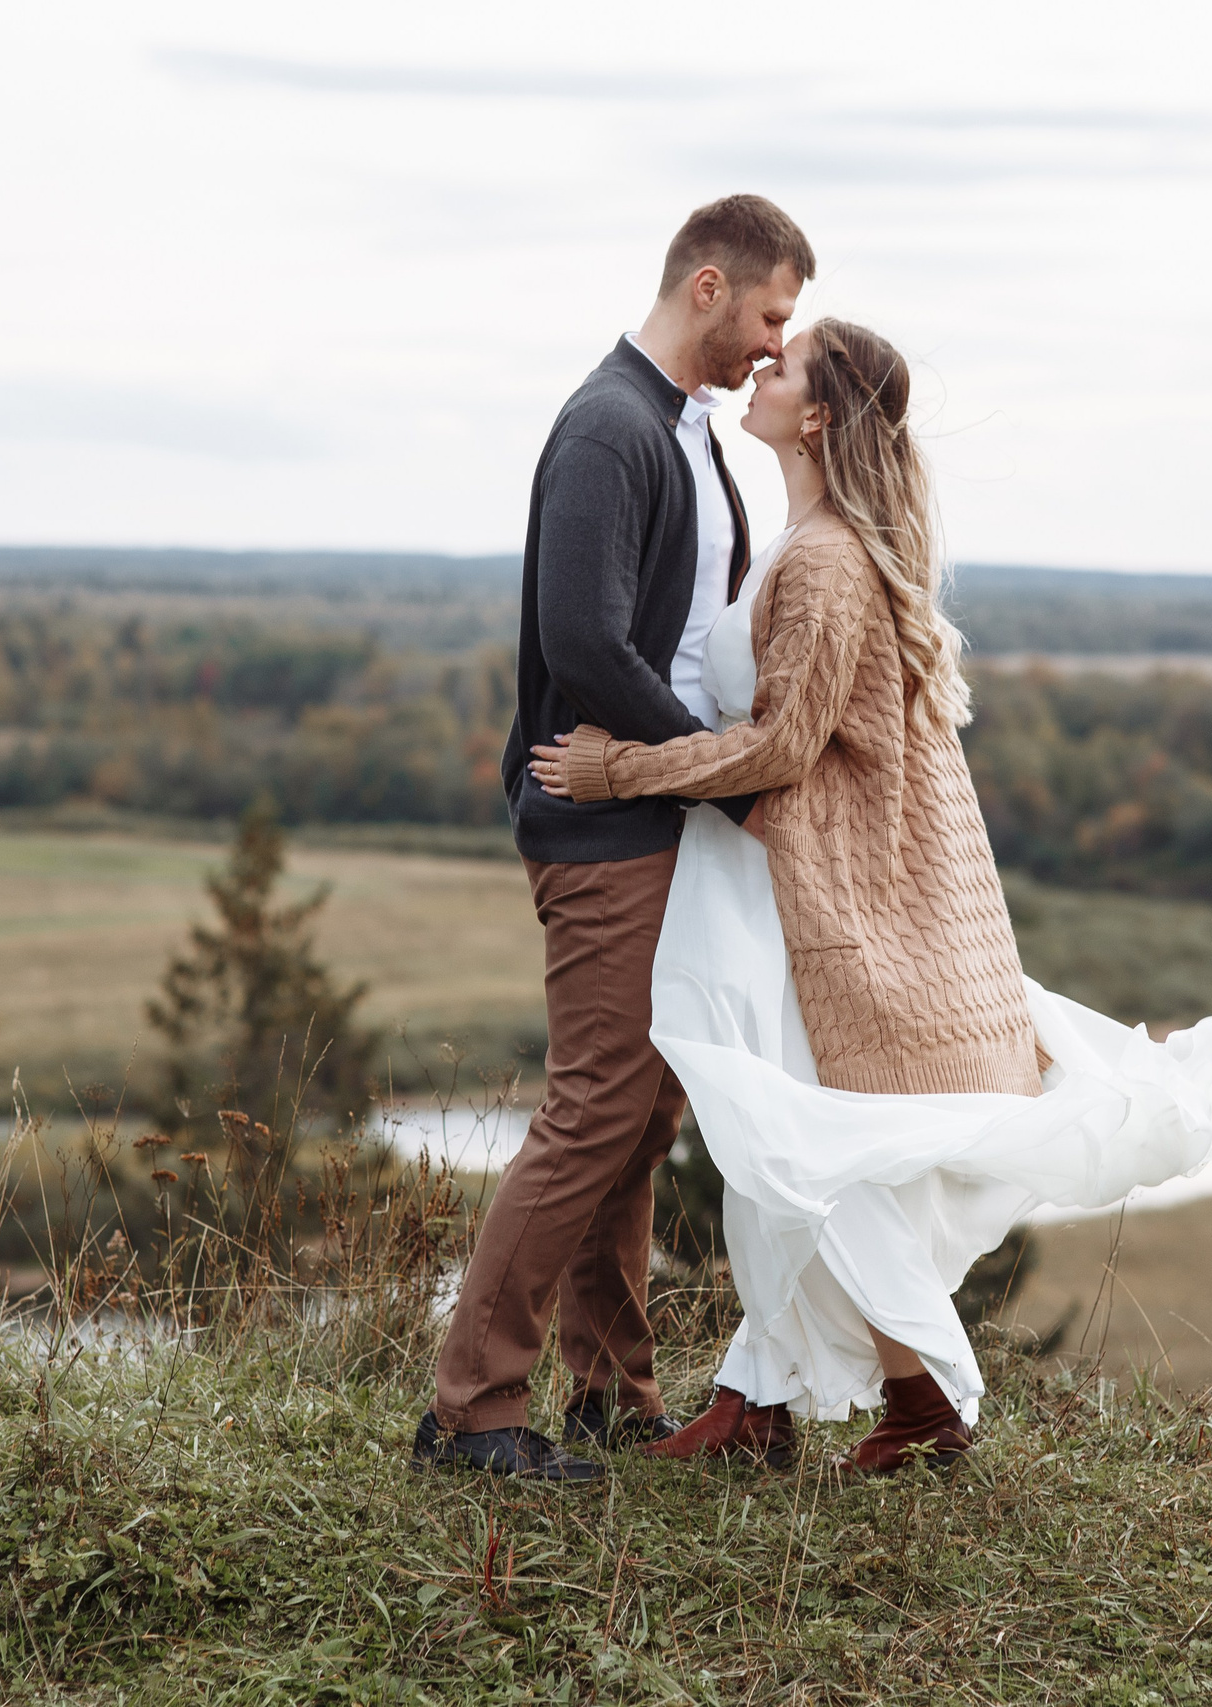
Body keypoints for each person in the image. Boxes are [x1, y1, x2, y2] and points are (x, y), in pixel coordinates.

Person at [529, 319, 1212, 1474]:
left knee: (806, 1143)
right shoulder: (801, 540)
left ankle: (921, 1407)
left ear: (816, 417)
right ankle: (757, 1406)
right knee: (783, 1139)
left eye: (782, 362)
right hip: (757, 888)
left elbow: (780, 747)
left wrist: (623, 770)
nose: (760, 367)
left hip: (802, 903)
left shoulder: (825, 562)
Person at [412, 195, 815, 1483]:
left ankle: (610, 1393)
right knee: (596, 1109)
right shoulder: (608, 426)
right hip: (603, 826)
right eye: (768, 315)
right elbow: (586, 644)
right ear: (708, 285)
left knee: (642, 1117)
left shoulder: (682, 432)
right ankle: (474, 1411)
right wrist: (712, 777)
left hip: (651, 813)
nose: (772, 344)